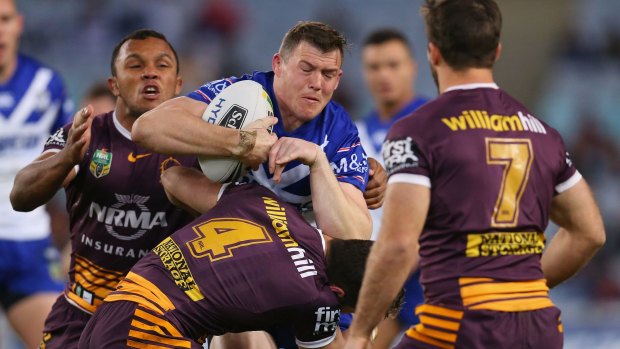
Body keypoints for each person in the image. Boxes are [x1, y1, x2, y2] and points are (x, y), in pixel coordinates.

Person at [345, 1, 606, 348]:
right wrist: (520, 291)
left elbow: (398, 246)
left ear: (433, 53)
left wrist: (360, 333)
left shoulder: (419, 131)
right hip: (540, 329)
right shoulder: (543, 134)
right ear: (496, 51)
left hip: (459, 325)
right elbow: (590, 233)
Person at [10, 28, 275, 349]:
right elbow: (20, 196)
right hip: (83, 314)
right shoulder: (88, 134)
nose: (149, 72)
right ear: (114, 84)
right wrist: (65, 159)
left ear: (178, 85)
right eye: (135, 65)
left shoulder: (204, 148)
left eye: (162, 65)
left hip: (160, 320)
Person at [78, 165, 403, 349]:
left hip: (117, 308)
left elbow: (175, 178)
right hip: (153, 330)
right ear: (339, 295)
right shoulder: (317, 297)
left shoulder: (264, 201)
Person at [133, 21, 374, 242]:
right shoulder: (240, 94)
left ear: (338, 79)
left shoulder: (341, 132)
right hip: (217, 244)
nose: (317, 83)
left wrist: (319, 162)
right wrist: (241, 143)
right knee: (176, 179)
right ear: (278, 64)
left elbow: (356, 235)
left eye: (328, 74)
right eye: (306, 69)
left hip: (291, 263)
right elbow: (147, 128)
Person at [0, 0, 73, 347]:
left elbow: (70, 160)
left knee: (59, 344)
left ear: (19, 24)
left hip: (28, 247)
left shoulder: (46, 86)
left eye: (4, 19)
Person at [356, 28, 428, 348]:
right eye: (374, 67)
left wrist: (386, 279)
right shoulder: (352, 136)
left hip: (422, 277)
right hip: (364, 275)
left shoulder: (435, 124)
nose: (383, 75)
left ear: (413, 67)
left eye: (393, 65)